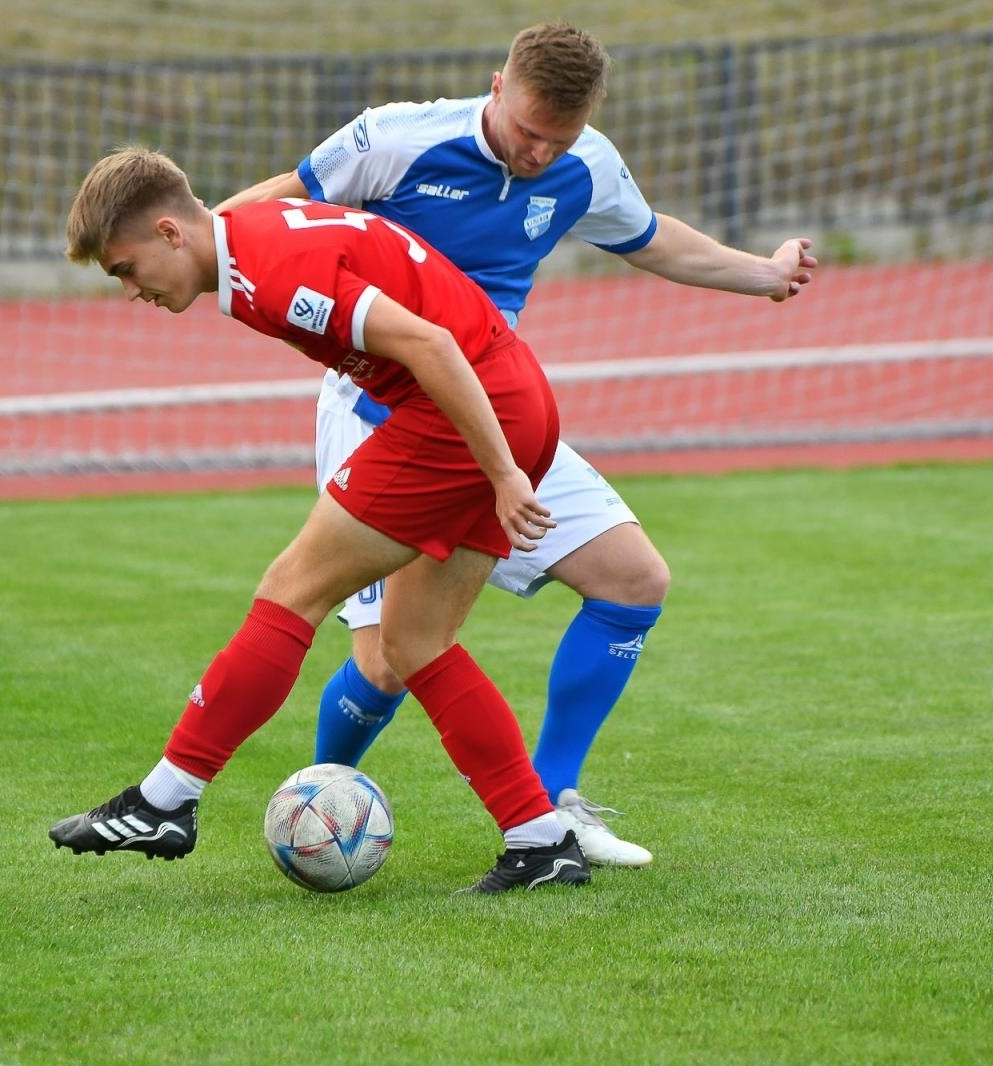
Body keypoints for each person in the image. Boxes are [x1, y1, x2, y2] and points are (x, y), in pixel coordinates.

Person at [214, 21, 816, 867]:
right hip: (377, 413)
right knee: (386, 662)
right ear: (497, 86)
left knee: (634, 580)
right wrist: (181, 246)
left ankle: (555, 802)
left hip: (497, 419)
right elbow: (270, 206)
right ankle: (315, 808)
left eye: (557, 139)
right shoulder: (397, 138)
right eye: (528, 131)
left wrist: (764, 272)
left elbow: (651, 237)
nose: (539, 153)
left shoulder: (586, 163)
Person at [49, 146, 592, 894]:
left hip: (465, 411)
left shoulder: (272, 270)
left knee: (293, 587)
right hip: (511, 398)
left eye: (127, 269)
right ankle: (539, 838)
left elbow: (429, 343)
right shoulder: (243, 236)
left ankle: (165, 800)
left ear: (171, 234)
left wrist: (500, 473)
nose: (131, 290)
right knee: (414, 640)